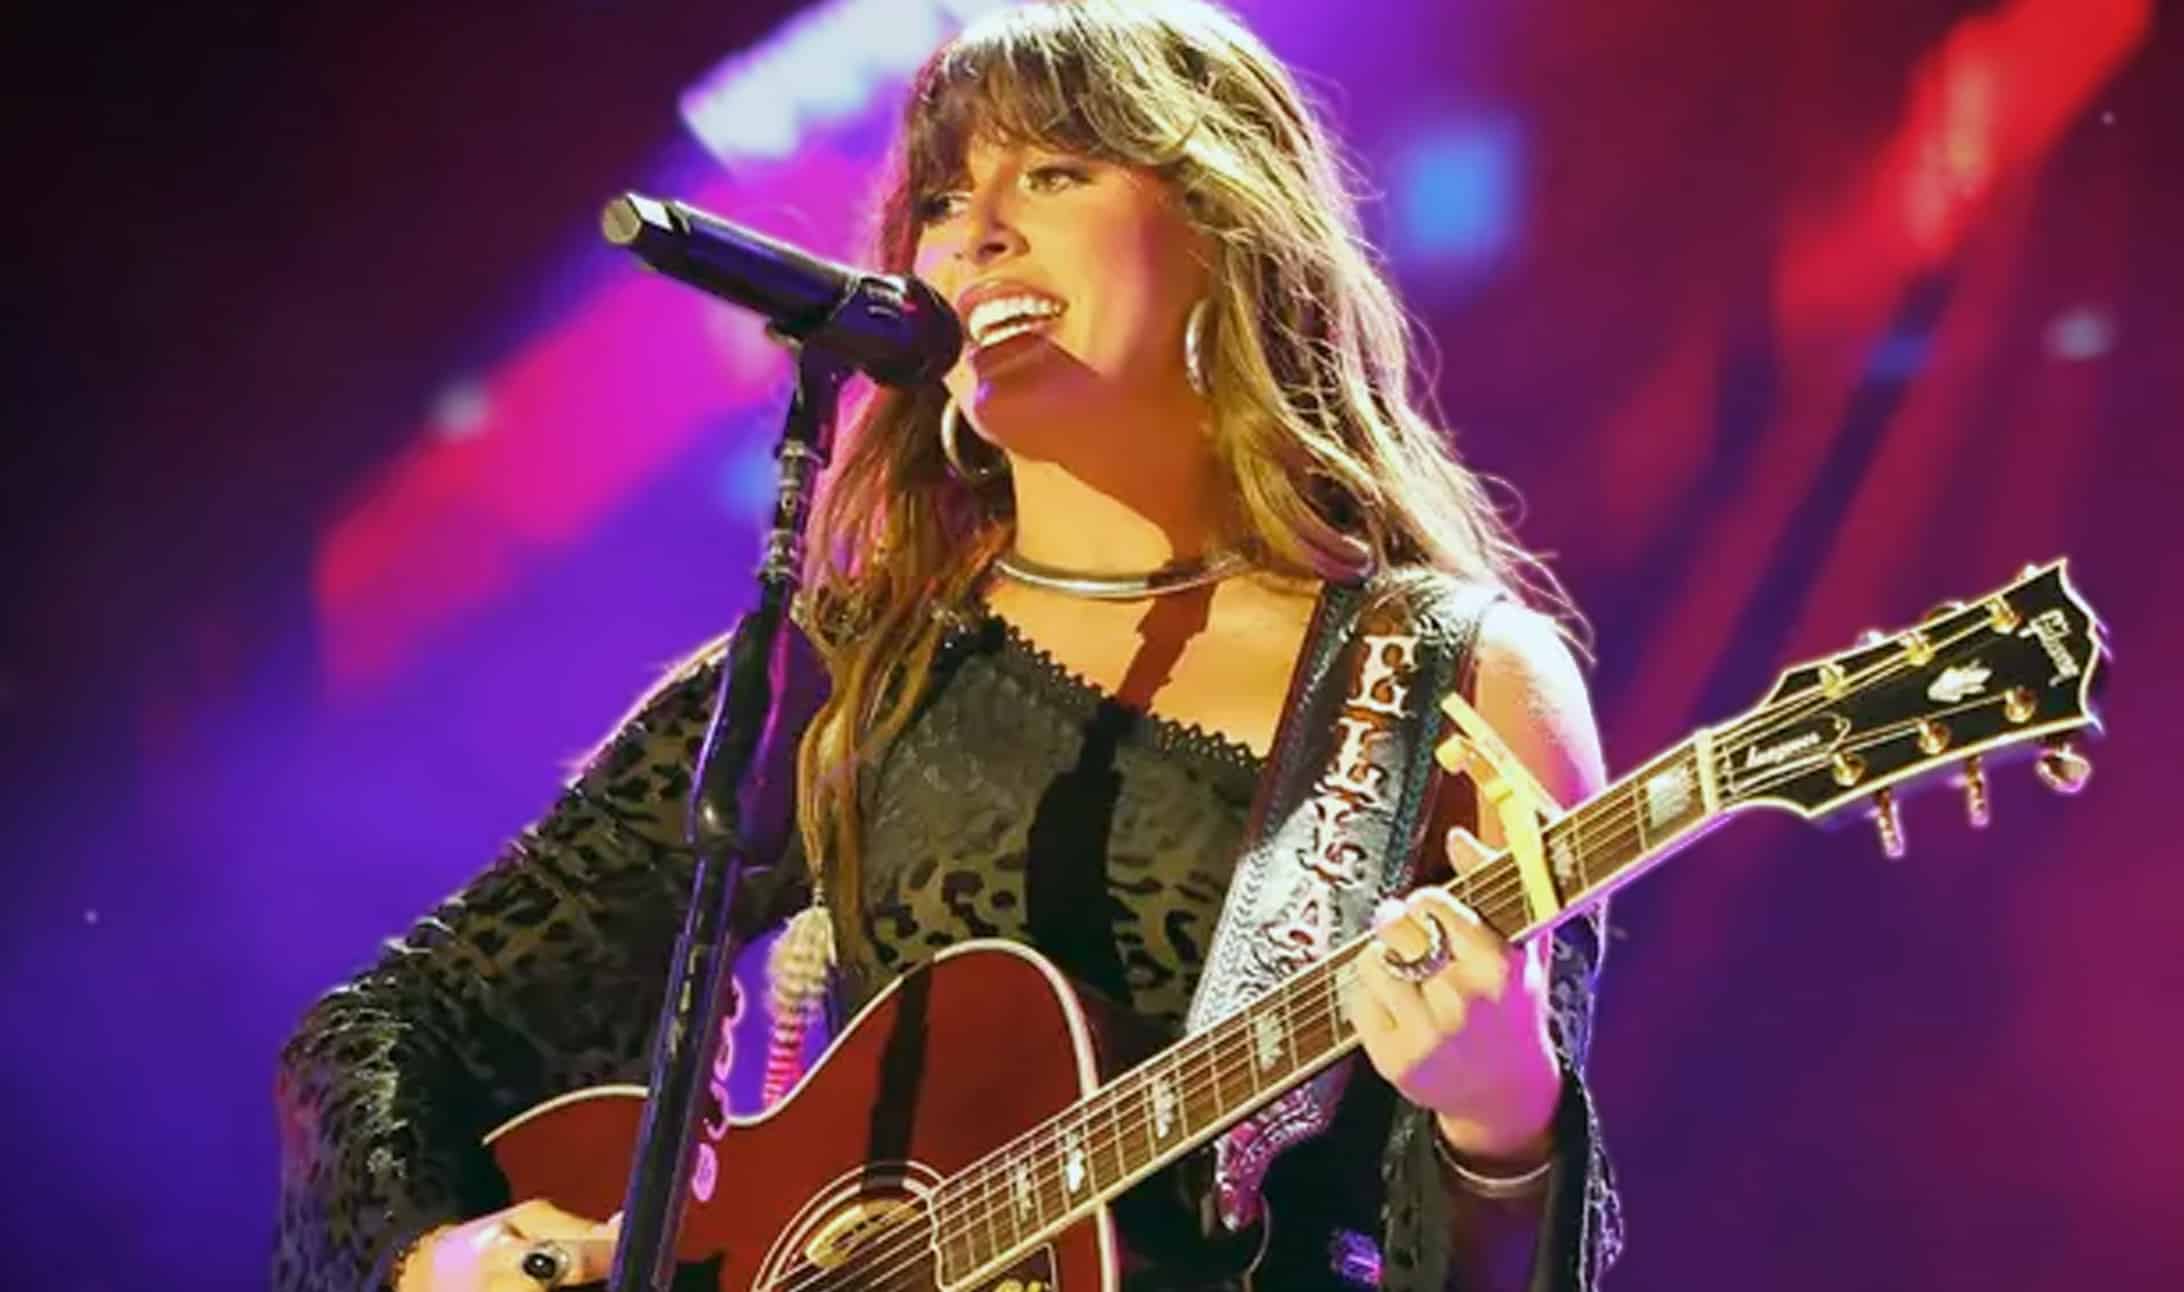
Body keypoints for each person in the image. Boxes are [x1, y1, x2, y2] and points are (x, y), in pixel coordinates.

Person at [272, 2, 1622, 1288]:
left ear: (1224, 228)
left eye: (1051, 173)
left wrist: (1502, 1116)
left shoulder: (1449, 681)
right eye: (935, 198)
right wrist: (433, 1257)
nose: (969, 235)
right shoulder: (845, 674)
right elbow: (394, 1031)